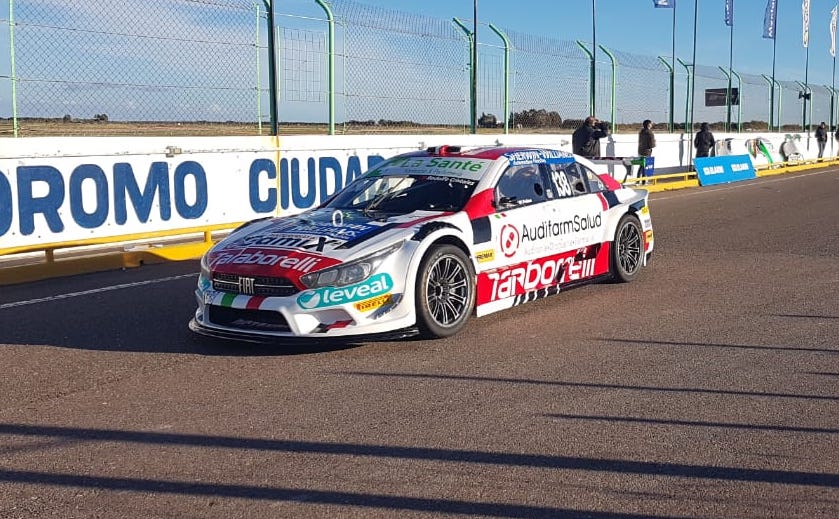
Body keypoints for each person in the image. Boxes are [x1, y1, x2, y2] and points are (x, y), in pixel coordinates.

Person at [637, 120, 656, 184]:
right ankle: (644, 181)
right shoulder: (650, 133)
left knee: (641, 166)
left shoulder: (641, 132)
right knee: (645, 166)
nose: (651, 125)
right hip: (647, 151)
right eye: (651, 124)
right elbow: (652, 145)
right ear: (648, 125)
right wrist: (654, 141)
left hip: (640, 150)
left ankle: (638, 180)